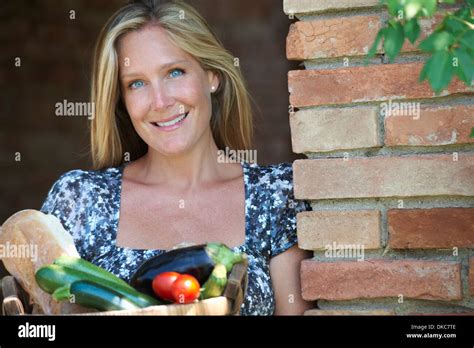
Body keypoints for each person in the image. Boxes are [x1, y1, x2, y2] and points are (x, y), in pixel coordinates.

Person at [40, 0, 313, 315]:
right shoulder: (80, 199)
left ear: (212, 75)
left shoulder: (276, 195)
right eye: (137, 83)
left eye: (174, 72)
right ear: (121, 100)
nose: (160, 101)